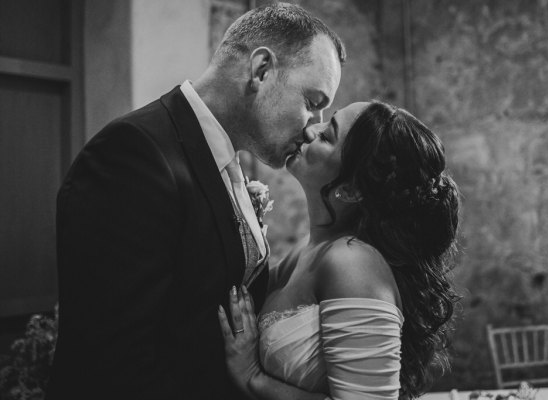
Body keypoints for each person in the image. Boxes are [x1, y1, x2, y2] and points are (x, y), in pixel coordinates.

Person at [46, 3, 344, 400]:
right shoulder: (133, 155)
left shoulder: (224, 158)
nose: (312, 128)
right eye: (311, 101)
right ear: (260, 70)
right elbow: (113, 365)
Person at [218, 101, 461, 400]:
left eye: (327, 135)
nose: (310, 130)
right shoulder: (302, 254)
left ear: (350, 190)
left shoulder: (353, 263)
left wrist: (253, 378)